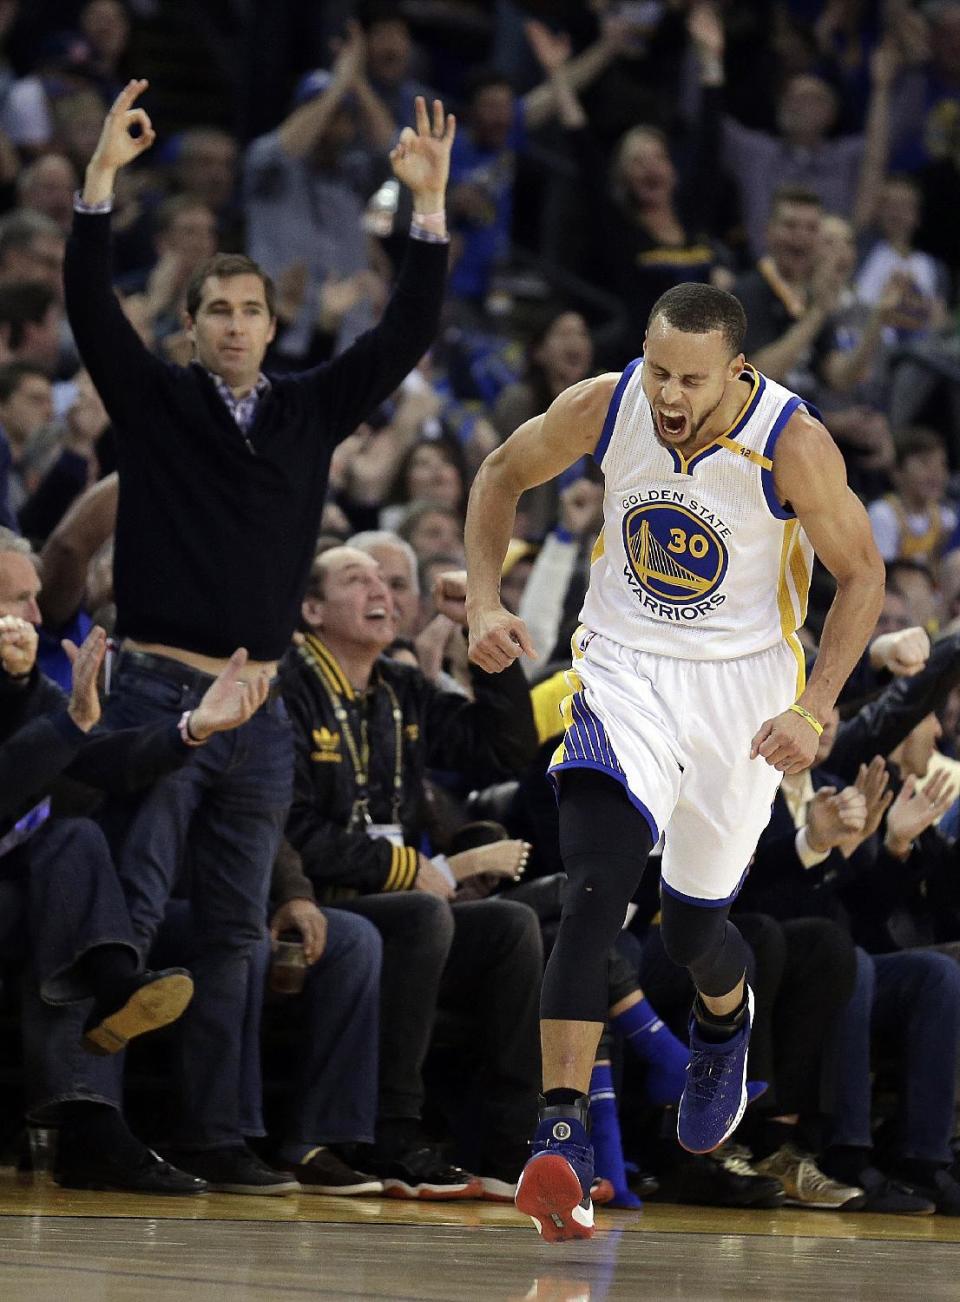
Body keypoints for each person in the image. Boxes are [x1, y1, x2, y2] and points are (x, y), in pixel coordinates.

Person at [62, 78, 453, 1193]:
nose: (234, 326)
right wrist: (100, 186)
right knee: (126, 913)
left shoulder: (307, 410)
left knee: (238, 931)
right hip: (158, 693)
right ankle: (89, 1119)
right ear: (190, 330)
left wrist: (425, 212)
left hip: (266, 710)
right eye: (216, 311)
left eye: (249, 311)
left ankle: (214, 1135)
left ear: (272, 327)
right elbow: (91, 305)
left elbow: (407, 331)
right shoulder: (156, 401)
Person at [464, 280, 885, 1240]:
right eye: (658, 370)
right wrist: (488, 600)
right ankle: (560, 1133)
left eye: (691, 378)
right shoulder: (605, 405)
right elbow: (498, 472)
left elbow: (862, 575)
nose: (670, 394)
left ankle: (724, 1021)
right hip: (625, 669)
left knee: (694, 929)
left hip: (744, 694)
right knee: (594, 889)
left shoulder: (792, 443)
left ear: (739, 371)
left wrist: (816, 709)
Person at [281, 546, 542, 1199]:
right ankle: (393, 1132)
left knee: (510, 927)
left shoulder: (400, 689)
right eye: (356, 578)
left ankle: (509, 1148)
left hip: (400, 911)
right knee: (423, 912)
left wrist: (486, 630)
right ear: (312, 609)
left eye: (387, 582)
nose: (381, 591)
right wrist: (405, 866)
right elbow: (289, 828)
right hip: (320, 906)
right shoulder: (288, 687)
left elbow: (503, 750)